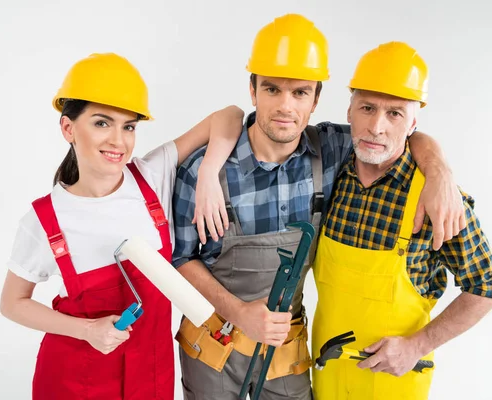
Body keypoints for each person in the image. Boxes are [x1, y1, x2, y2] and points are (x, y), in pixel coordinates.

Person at [173, 14, 464, 399]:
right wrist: (238, 312)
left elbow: (399, 134)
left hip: (284, 353)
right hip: (211, 349)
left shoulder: (332, 152)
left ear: (316, 99)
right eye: (272, 89)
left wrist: (440, 172)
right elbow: (180, 258)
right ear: (252, 91)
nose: (284, 106)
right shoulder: (202, 171)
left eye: (300, 93)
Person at [0, 52, 243, 400]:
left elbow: (229, 115)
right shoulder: (44, 220)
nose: (119, 140)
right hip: (74, 382)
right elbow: (12, 303)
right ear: (68, 128)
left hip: (152, 379)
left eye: (128, 126)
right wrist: (86, 330)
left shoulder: (152, 177)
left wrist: (207, 174)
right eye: (102, 123)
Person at [311, 41, 492, 400]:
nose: (377, 127)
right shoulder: (327, 174)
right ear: (349, 111)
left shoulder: (438, 200)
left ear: (413, 123)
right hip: (327, 376)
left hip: (395, 384)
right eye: (367, 107)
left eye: (395, 113)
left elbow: (488, 285)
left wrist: (418, 345)